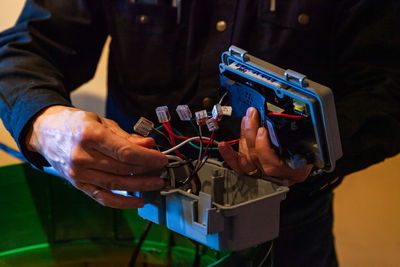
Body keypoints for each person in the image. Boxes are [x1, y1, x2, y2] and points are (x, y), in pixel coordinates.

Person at [0, 0, 399, 266]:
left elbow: (387, 87)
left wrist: (311, 153)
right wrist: (45, 123)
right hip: (143, 214)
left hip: (285, 230)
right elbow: (24, 48)